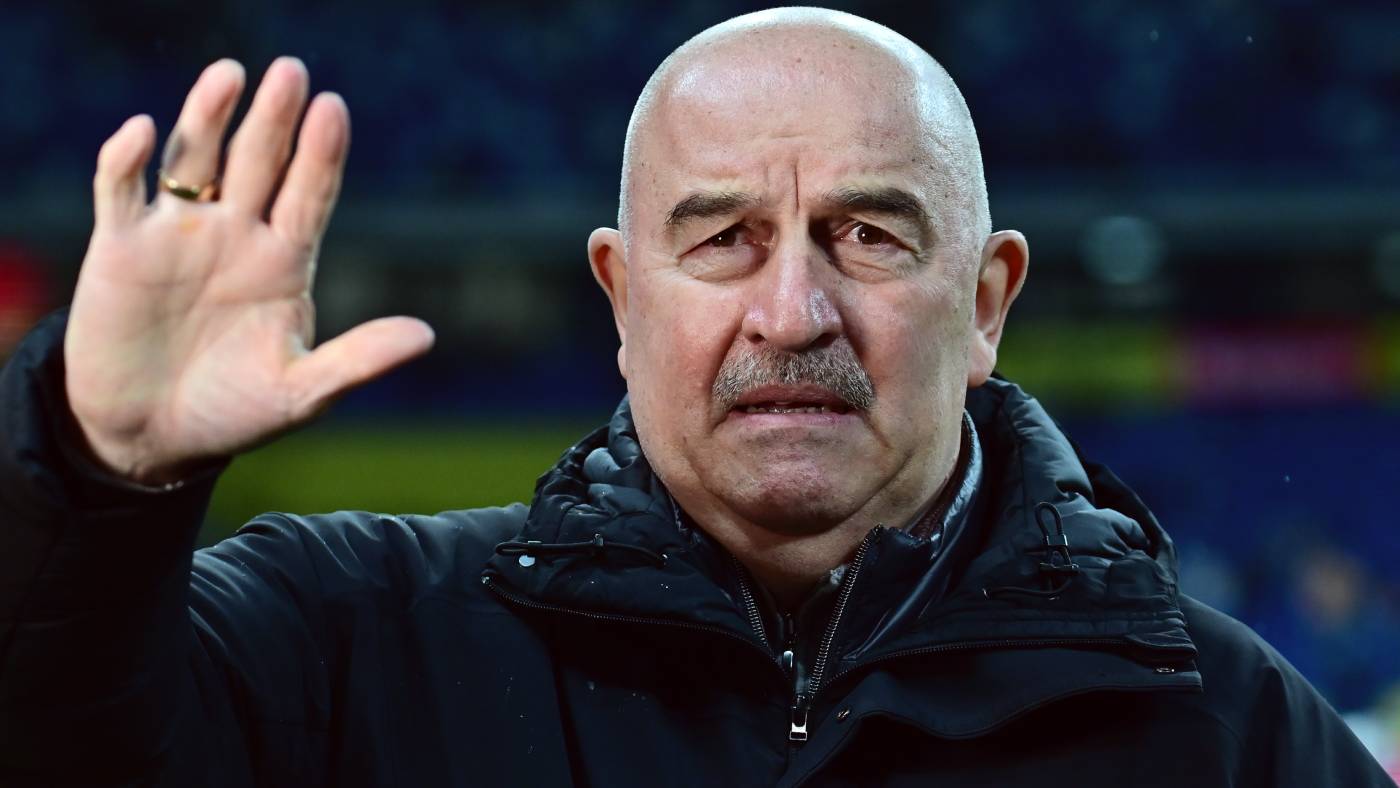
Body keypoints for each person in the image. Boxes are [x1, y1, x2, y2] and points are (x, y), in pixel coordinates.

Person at [0, 7, 1390, 787]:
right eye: (723, 239)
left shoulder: (1226, 730)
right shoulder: (348, 640)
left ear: (984, 303)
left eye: (869, 235)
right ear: (621, 299)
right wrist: (89, 471)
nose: (791, 312)